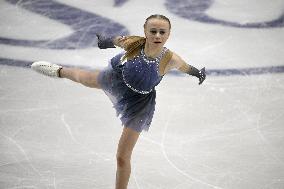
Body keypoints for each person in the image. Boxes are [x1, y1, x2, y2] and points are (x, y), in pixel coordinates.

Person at [31, 14, 206, 189]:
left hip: (140, 103)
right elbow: (116, 41)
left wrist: (198, 73)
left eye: (162, 32)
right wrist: (103, 43)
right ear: (145, 31)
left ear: (168, 34)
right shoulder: (134, 44)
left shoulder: (171, 59)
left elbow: (186, 67)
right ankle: (60, 71)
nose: (157, 36)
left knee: (122, 157)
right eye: (153, 31)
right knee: (85, 79)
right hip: (117, 78)